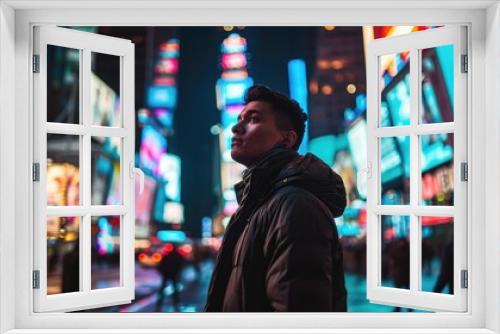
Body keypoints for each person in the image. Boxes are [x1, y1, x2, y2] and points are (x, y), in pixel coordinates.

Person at [205, 85, 347, 312]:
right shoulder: (258, 206)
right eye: (240, 118)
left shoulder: (296, 206)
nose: (235, 128)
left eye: (253, 119)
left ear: (287, 139)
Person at [155, 243, 186, 312]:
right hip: (174, 275)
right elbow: (182, 264)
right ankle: (176, 303)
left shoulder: (167, 255)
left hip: (167, 274)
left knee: (163, 289)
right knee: (175, 289)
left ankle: (159, 303)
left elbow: (160, 265)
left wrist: (163, 272)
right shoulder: (178, 256)